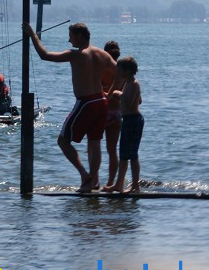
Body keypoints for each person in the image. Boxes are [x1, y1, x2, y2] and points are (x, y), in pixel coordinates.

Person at [24, 21, 116, 193]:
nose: (69, 41)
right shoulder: (102, 54)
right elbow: (121, 73)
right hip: (101, 102)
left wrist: (32, 35)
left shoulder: (77, 55)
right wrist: (109, 94)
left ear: (80, 35)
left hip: (86, 102)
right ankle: (93, 181)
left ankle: (85, 175)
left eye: (71, 37)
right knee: (94, 142)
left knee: (62, 141)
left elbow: (44, 55)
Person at [104, 56, 144, 194]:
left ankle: (135, 185)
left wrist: (118, 94)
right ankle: (118, 184)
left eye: (120, 70)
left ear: (127, 70)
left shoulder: (134, 83)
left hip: (134, 120)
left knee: (132, 154)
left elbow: (132, 103)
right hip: (127, 119)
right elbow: (136, 100)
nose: (118, 72)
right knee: (123, 154)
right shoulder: (127, 83)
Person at [101, 40, 122, 190]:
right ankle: (110, 182)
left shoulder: (101, 69)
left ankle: (94, 180)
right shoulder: (122, 71)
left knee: (93, 145)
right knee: (112, 150)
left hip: (102, 111)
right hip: (116, 113)